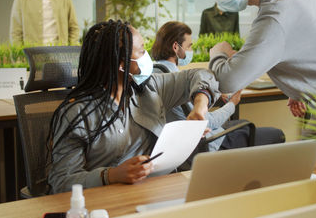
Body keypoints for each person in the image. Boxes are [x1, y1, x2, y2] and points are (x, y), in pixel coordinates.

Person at [47, 20, 221, 194]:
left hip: (159, 192)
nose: (147, 56)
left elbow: (201, 75)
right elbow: (62, 181)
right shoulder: (76, 114)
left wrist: (200, 106)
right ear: (121, 64)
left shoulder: (151, 87)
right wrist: (111, 175)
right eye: (142, 51)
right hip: (108, 202)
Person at [151, 21, 285, 152]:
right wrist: (232, 104)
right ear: (176, 47)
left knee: (243, 123)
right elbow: (207, 122)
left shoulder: (156, 74)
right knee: (276, 134)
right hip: (208, 144)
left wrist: (213, 94)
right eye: (189, 46)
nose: (191, 51)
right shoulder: (175, 81)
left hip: (181, 145)